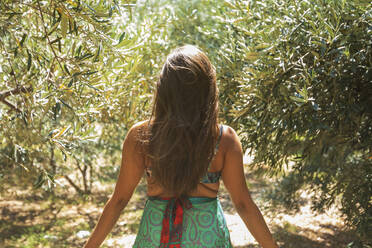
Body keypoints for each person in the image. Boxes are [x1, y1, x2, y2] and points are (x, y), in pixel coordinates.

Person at [84, 45, 279, 248]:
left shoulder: (141, 136)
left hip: (156, 236)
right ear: (208, 90)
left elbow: (119, 200)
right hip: (206, 238)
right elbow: (243, 204)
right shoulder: (224, 139)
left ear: (164, 89)